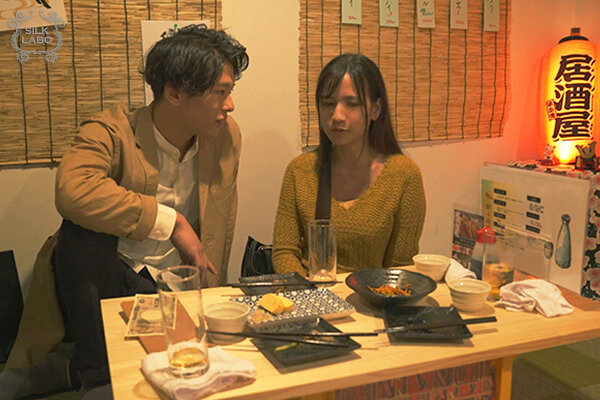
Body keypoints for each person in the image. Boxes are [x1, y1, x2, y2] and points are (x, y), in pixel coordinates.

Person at [0, 24, 249, 399]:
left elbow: (220, 224)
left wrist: (209, 305)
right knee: (79, 233)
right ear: (175, 92)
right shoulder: (111, 130)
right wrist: (172, 222)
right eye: (220, 92)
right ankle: (96, 376)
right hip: (110, 275)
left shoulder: (225, 135)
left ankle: (71, 371)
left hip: (173, 280)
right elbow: (72, 191)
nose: (229, 105)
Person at [272, 53, 425, 275]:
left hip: (372, 294)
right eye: (328, 104)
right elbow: (284, 251)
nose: (337, 115)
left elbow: (401, 266)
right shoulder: (300, 170)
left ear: (375, 109)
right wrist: (308, 291)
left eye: (352, 104)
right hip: (310, 290)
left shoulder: (404, 176)